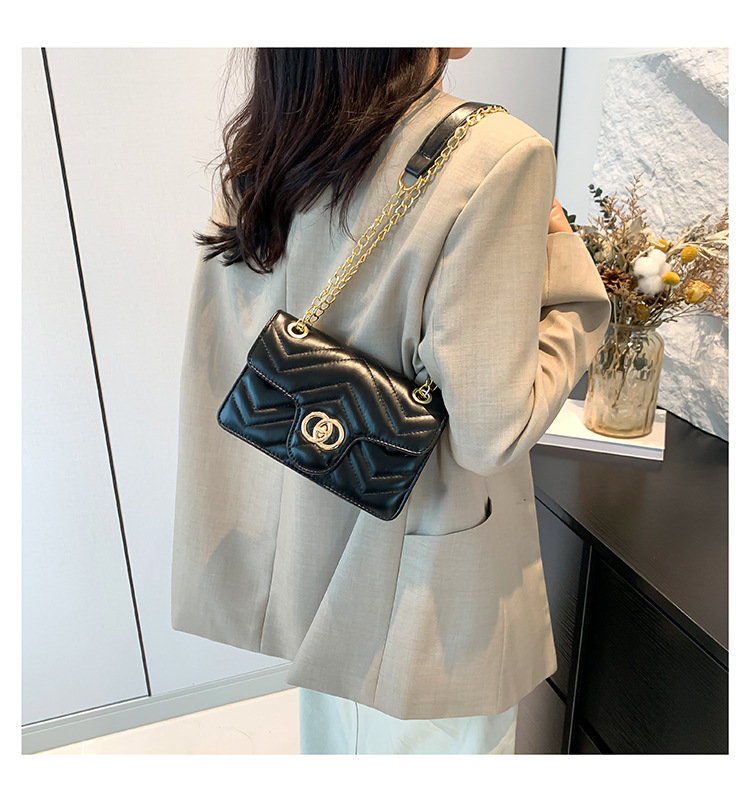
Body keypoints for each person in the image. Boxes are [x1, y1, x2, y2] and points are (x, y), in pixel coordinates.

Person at [170, 48, 611, 754]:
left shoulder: (271, 140)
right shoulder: (496, 156)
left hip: (311, 543)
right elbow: (492, 432)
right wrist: (573, 292)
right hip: (418, 586)